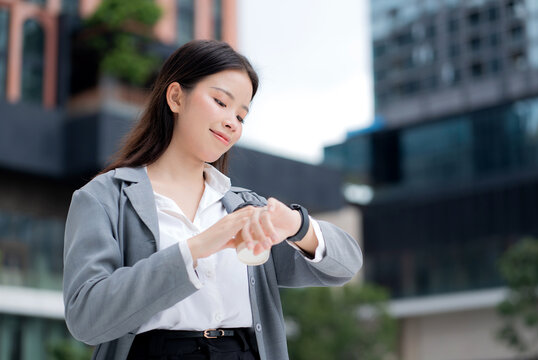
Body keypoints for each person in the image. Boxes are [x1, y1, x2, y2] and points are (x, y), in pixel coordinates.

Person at [63, 39, 363, 360]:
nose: (233, 122)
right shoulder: (104, 198)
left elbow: (345, 265)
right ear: (176, 97)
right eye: (221, 102)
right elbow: (86, 318)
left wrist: (296, 225)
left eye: (242, 116)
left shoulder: (243, 208)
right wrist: (197, 248)